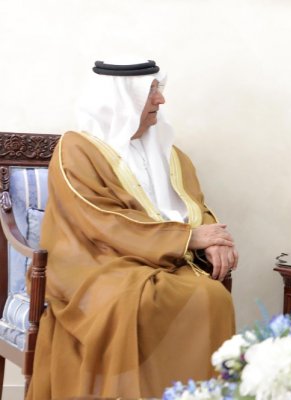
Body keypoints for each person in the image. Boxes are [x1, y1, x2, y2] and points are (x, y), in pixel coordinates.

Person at [27, 59, 238, 399]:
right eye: (151, 91)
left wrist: (214, 239)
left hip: (163, 259)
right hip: (94, 261)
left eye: (159, 89)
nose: (160, 100)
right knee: (129, 302)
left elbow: (194, 204)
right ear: (121, 97)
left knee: (211, 298)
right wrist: (188, 237)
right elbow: (100, 219)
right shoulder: (76, 149)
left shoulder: (170, 153)